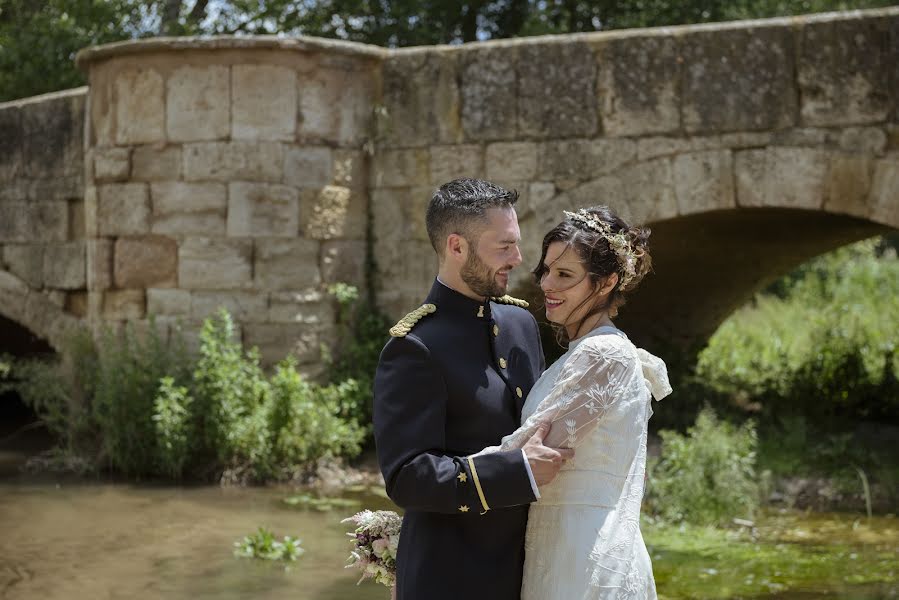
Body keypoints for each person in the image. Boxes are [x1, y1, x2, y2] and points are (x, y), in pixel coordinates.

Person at [372, 178, 574, 600]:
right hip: (450, 577)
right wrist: (514, 470)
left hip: (531, 568)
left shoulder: (521, 325)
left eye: (517, 244)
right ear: (456, 247)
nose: (518, 259)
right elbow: (407, 476)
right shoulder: (414, 346)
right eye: (503, 247)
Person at [474, 206, 672, 599]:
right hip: (558, 547)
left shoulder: (603, 355)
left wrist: (433, 499)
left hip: (585, 560)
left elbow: (533, 447)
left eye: (565, 275)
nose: (547, 284)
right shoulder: (585, 353)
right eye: (546, 270)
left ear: (606, 282)